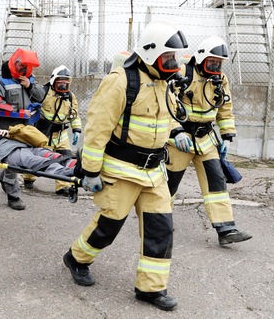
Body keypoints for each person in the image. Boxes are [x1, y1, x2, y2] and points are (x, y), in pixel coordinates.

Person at [62, 20, 188, 311]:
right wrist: (91, 171)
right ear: (150, 53)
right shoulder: (120, 80)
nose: (174, 63)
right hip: (121, 169)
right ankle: (77, 258)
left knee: (161, 229)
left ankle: (150, 289)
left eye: (176, 58)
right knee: (109, 225)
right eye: (169, 57)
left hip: (154, 173)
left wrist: (177, 131)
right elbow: (97, 129)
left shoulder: (162, 82)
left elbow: (165, 118)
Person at [166, 36, 252, 246]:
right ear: (202, 57)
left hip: (205, 140)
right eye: (213, 61)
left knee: (217, 182)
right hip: (181, 140)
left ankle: (226, 229)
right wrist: (176, 132)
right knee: (169, 185)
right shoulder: (182, 74)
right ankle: (160, 220)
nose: (216, 66)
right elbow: (164, 105)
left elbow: (225, 108)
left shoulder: (220, 79)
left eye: (220, 62)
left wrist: (227, 135)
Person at [0, 48, 45, 210]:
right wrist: (20, 112)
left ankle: (2, 175)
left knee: (22, 160)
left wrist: (30, 86)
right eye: (24, 67)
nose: (26, 70)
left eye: (29, 68)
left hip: (26, 128)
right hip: (7, 128)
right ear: (16, 61)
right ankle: (13, 196)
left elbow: (41, 96)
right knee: (13, 160)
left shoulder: (29, 78)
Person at [28, 65, 82, 195]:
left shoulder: (70, 96)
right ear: (53, 81)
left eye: (66, 83)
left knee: (65, 159)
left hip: (61, 136)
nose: (63, 85)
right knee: (36, 158)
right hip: (43, 134)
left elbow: (74, 114)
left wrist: (77, 130)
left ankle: (62, 186)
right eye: (60, 82)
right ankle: (28, 178)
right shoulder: (44, 93)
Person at [0, 128, 78, 180]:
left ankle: (75, 164)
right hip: (9, 153)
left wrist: (7, 132)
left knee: (49, 154)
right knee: (37, 162)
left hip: (23, 146)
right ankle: (70, 171)